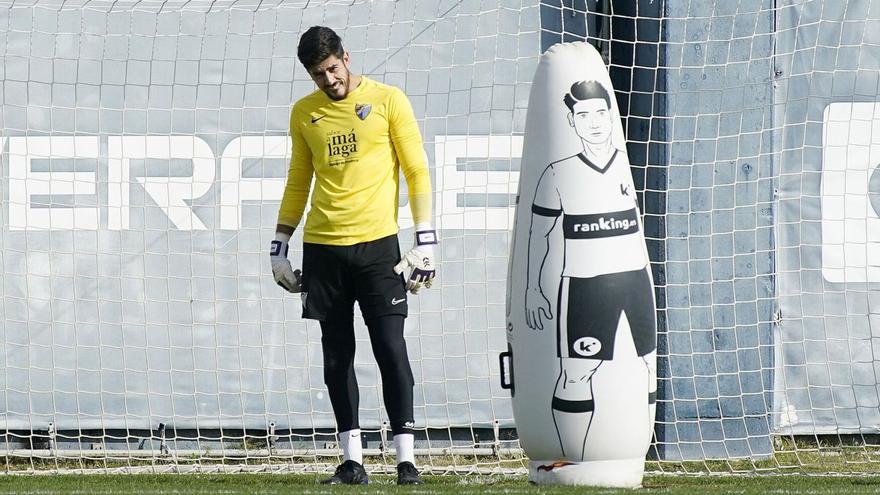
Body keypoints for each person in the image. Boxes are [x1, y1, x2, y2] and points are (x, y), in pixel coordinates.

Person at [269, 25, 437, 485]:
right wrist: (279, 246)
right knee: (337, 355)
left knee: (390, 349)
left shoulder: (388, 100)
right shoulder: (304, 113)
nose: (328, 81)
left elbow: (417, 170)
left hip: (379, 247)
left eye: (332, 69)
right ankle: (352, 462)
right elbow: (298, 181)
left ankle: (406, 462)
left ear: (346, 57)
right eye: (317, 75)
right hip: (323, 250)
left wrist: (426, 241)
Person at [524, 80, 656, 460]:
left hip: (634, 281)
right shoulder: (557, 173)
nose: (595, 121)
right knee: (577, 374)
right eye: (584, 114)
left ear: (611, 115)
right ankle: (571, 460)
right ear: (571, 121)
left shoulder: (628, 166)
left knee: (646, 365)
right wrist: (533, 287)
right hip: (584, 287)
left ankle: (634, 455)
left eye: (601, 112)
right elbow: (539, 233)